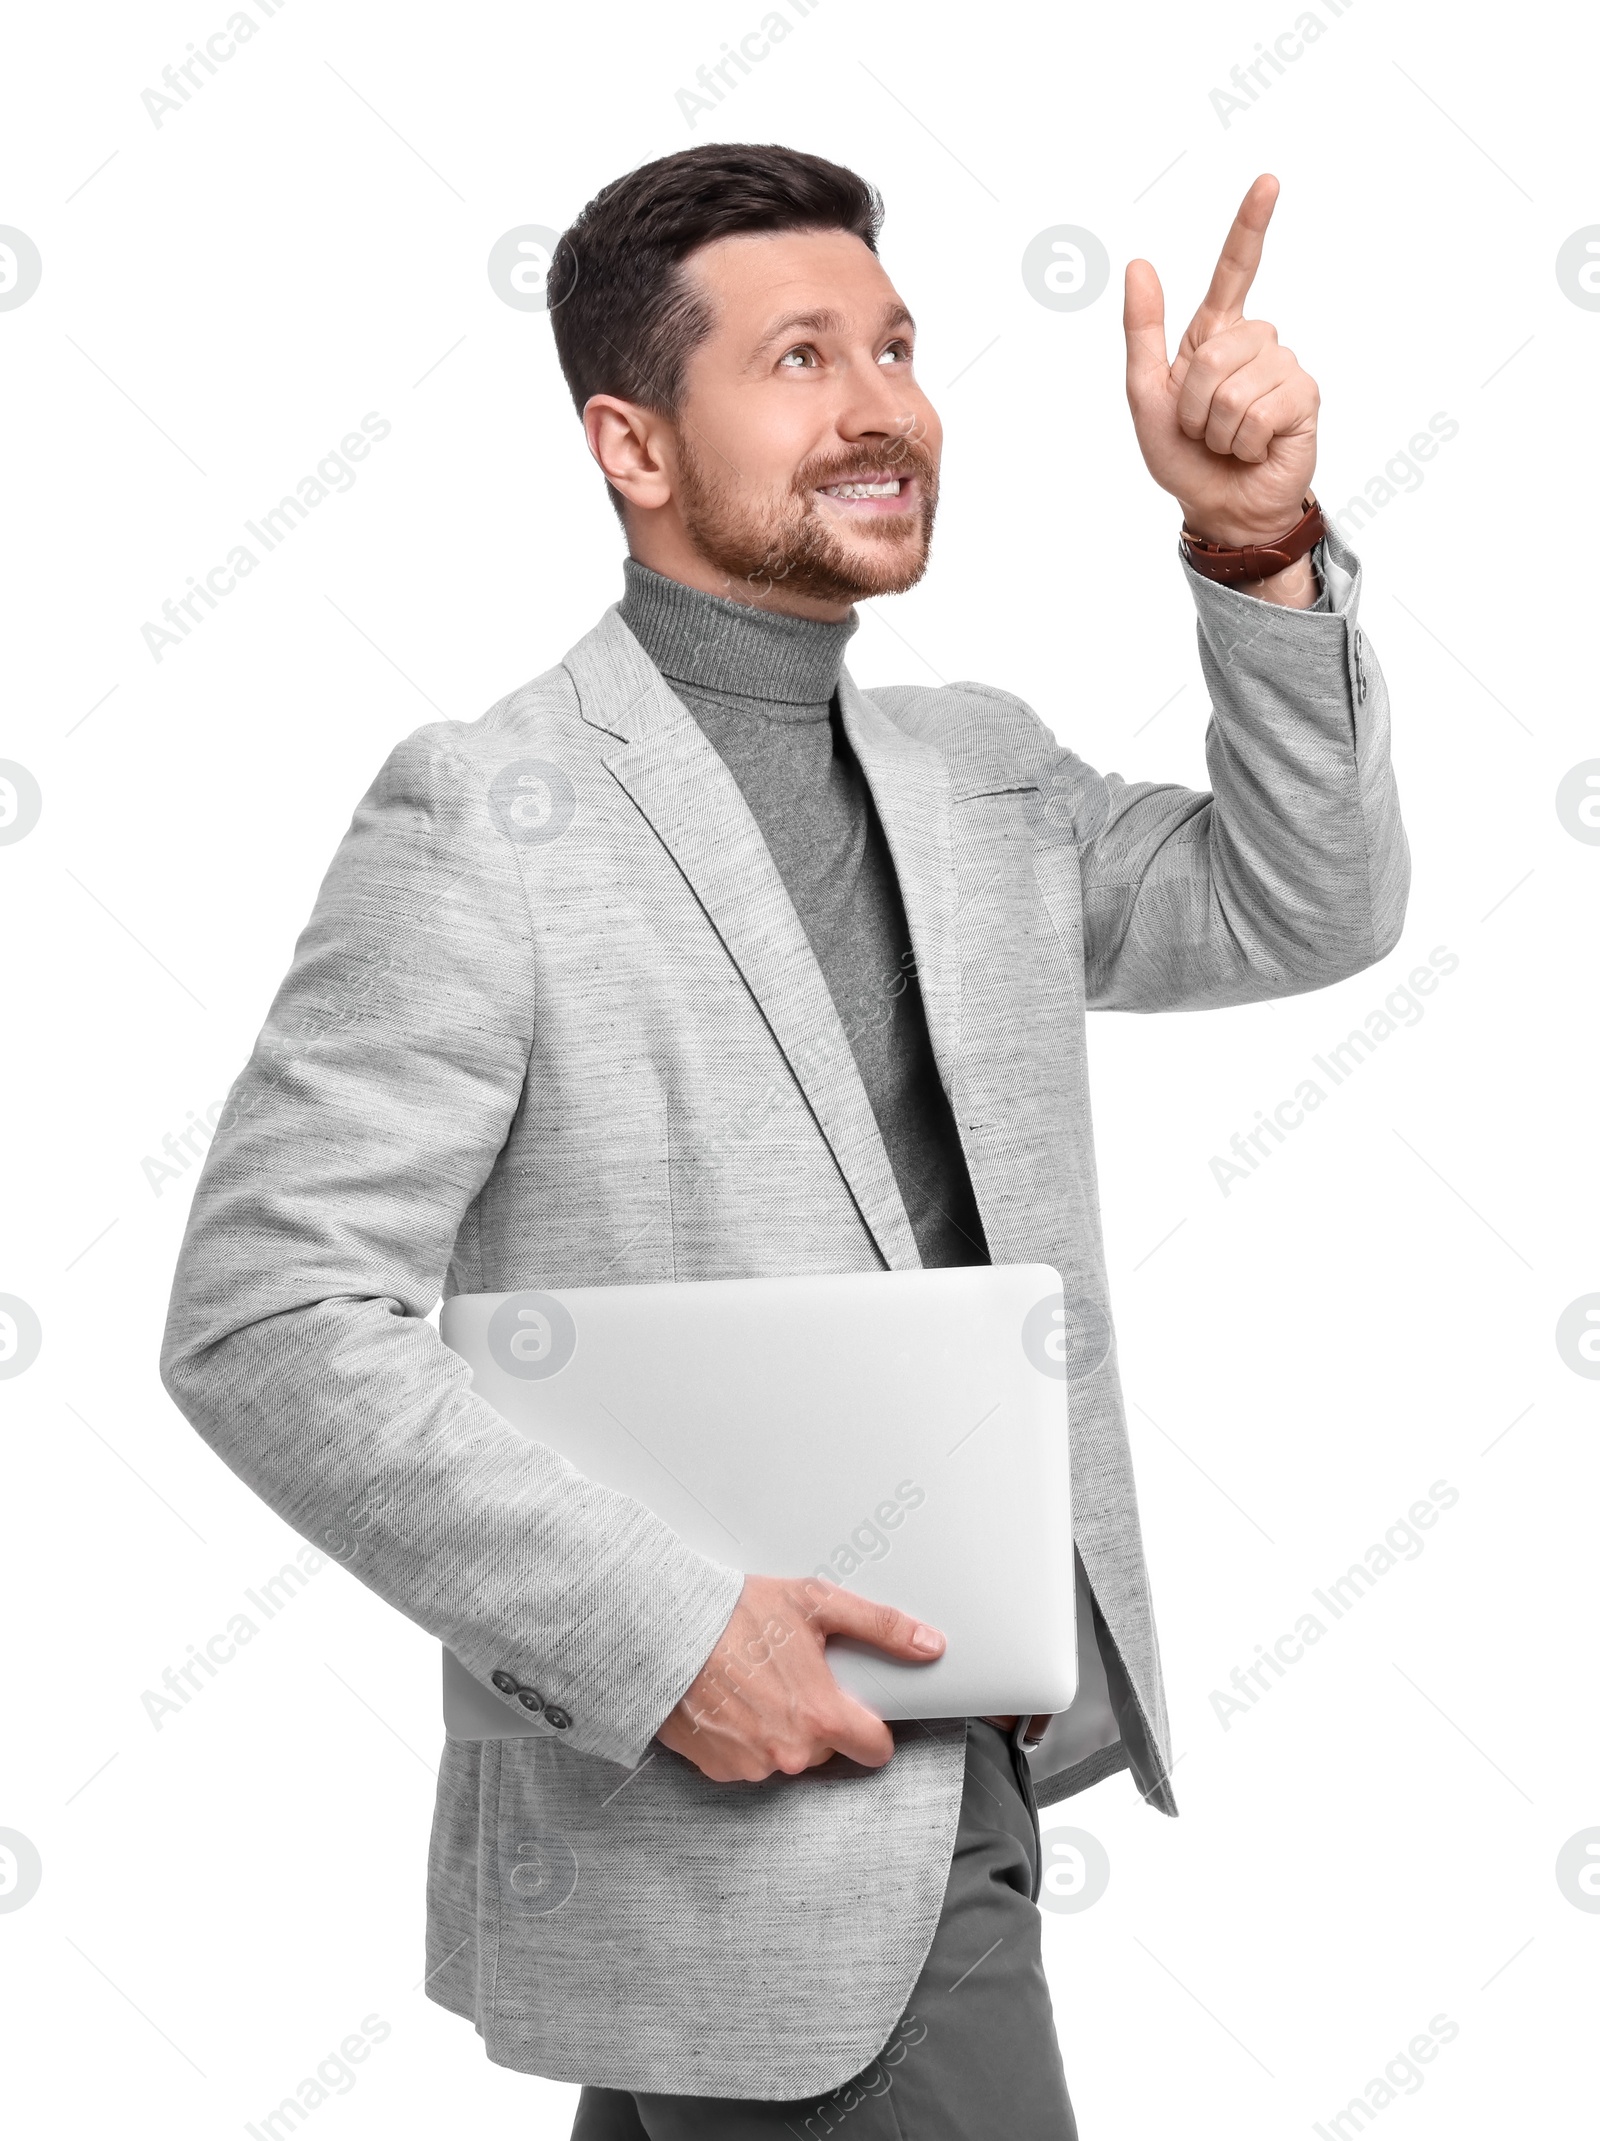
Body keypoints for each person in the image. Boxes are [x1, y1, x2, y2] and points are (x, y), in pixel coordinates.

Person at [161, 143, 1408, 2138]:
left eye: (895, 348)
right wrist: (667, 1637)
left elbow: (1300, 904)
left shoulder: (975, 770)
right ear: (631, 445)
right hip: (742, 1805)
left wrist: (1252, 548)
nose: (880, 405)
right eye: (799, 357)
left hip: (945, 1780)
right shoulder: (484, 818)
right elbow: (263, 1318)